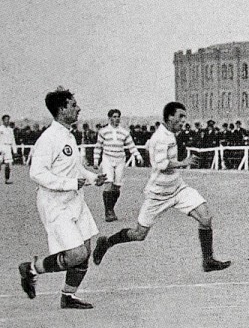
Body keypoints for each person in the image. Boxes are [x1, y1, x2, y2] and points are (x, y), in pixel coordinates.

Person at [92, 101, 232, 273]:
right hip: (158, 194)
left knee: (206, 218)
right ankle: (107, 242)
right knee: (139, 234)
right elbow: (161, 164)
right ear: (170, 116)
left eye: (184, 117)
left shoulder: (169, 134)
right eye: (180, 117)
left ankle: (208, 260)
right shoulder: (161, 137)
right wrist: (183, 163)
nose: (183, 121)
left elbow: (150, 152)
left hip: (178, 188)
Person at [17, 88, 108, 309]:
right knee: (76, 254)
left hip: (75, 200)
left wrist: (92, 178)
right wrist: (68, 184)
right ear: (61, 109)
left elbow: (74, 168)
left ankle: (68, 296)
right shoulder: (48, 138)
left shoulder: (68, 135)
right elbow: (36, 173)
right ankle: (31, 268)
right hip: (54, 203)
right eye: (73, 104)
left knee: (85, 251)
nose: (78, 108)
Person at [94, 108, 139, 222]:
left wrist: (138, 156)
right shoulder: (103, 131)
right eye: (114, 116)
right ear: (109, 118)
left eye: (118, 116)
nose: (116, 119)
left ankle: (111, 208)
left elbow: (131, 145)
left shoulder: (124, 132)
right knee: (108, 184)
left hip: (120, 159)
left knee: (117, 186)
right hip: (107, 159)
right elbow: (98, 147)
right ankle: (108, 212)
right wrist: (95, 160)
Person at [0, 114, 15, 184]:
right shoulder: (0, 129)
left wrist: (14, 150)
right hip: (1, 146)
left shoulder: (10, 130)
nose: (7, 121)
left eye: (8, 120)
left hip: (8, 147)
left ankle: (6, 179)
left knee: (8, 164)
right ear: (2, 120)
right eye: (5, 120)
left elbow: (13, 140)